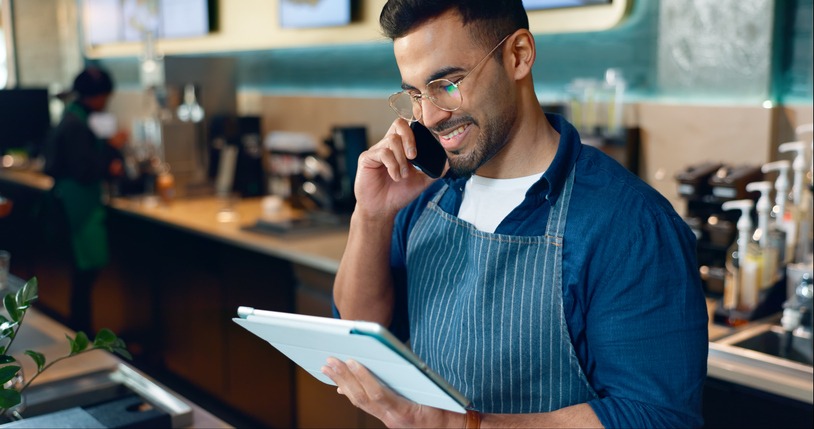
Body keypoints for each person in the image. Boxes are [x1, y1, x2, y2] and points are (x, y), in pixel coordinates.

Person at [325, 1, 708, 428]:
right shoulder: (419, 193)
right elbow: (362, 332)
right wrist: (372, 215)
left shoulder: (630, 225)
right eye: (415, 94)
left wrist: (459, 426)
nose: (429, 117)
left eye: (447, 84)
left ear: (519, 55)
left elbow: (655, 417)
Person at [43, 66, 127, 334]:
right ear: (99, 96)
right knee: (84, 277)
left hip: (73, 203)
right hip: (79, 207)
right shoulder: (77, 125)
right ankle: (83, 337)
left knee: (82, 278)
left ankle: (82, 336)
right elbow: (84, 170)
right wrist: (112, 151)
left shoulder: (72, 117)